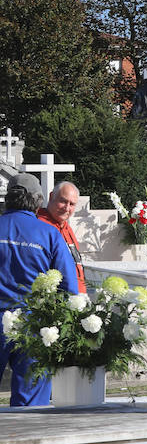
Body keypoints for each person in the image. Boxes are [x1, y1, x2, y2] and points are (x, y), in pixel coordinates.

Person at [0, 174, 79, 406]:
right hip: (34, 325)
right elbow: (69, 288)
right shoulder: (49, 234)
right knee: (31, 402)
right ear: (38, 201)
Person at [38, 181, 85, 293]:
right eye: (63, 201)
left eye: (72, 204)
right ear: (51, 197)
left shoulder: (66, 227)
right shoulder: (39, 226)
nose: (67, 208)